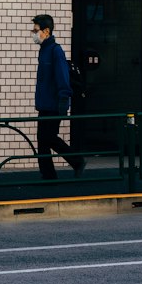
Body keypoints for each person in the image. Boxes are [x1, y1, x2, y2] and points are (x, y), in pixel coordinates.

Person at [31, 13, 85, 179]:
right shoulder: (44, 51)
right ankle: (48, 174)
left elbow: (62, 77)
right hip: (44, 103)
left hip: (54, 104)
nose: (33, 33)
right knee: (43, 139)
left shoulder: (56, 51)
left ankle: (76, 161)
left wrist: (63, 100)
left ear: (46, 31)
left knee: (49, 137)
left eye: (35, 30)